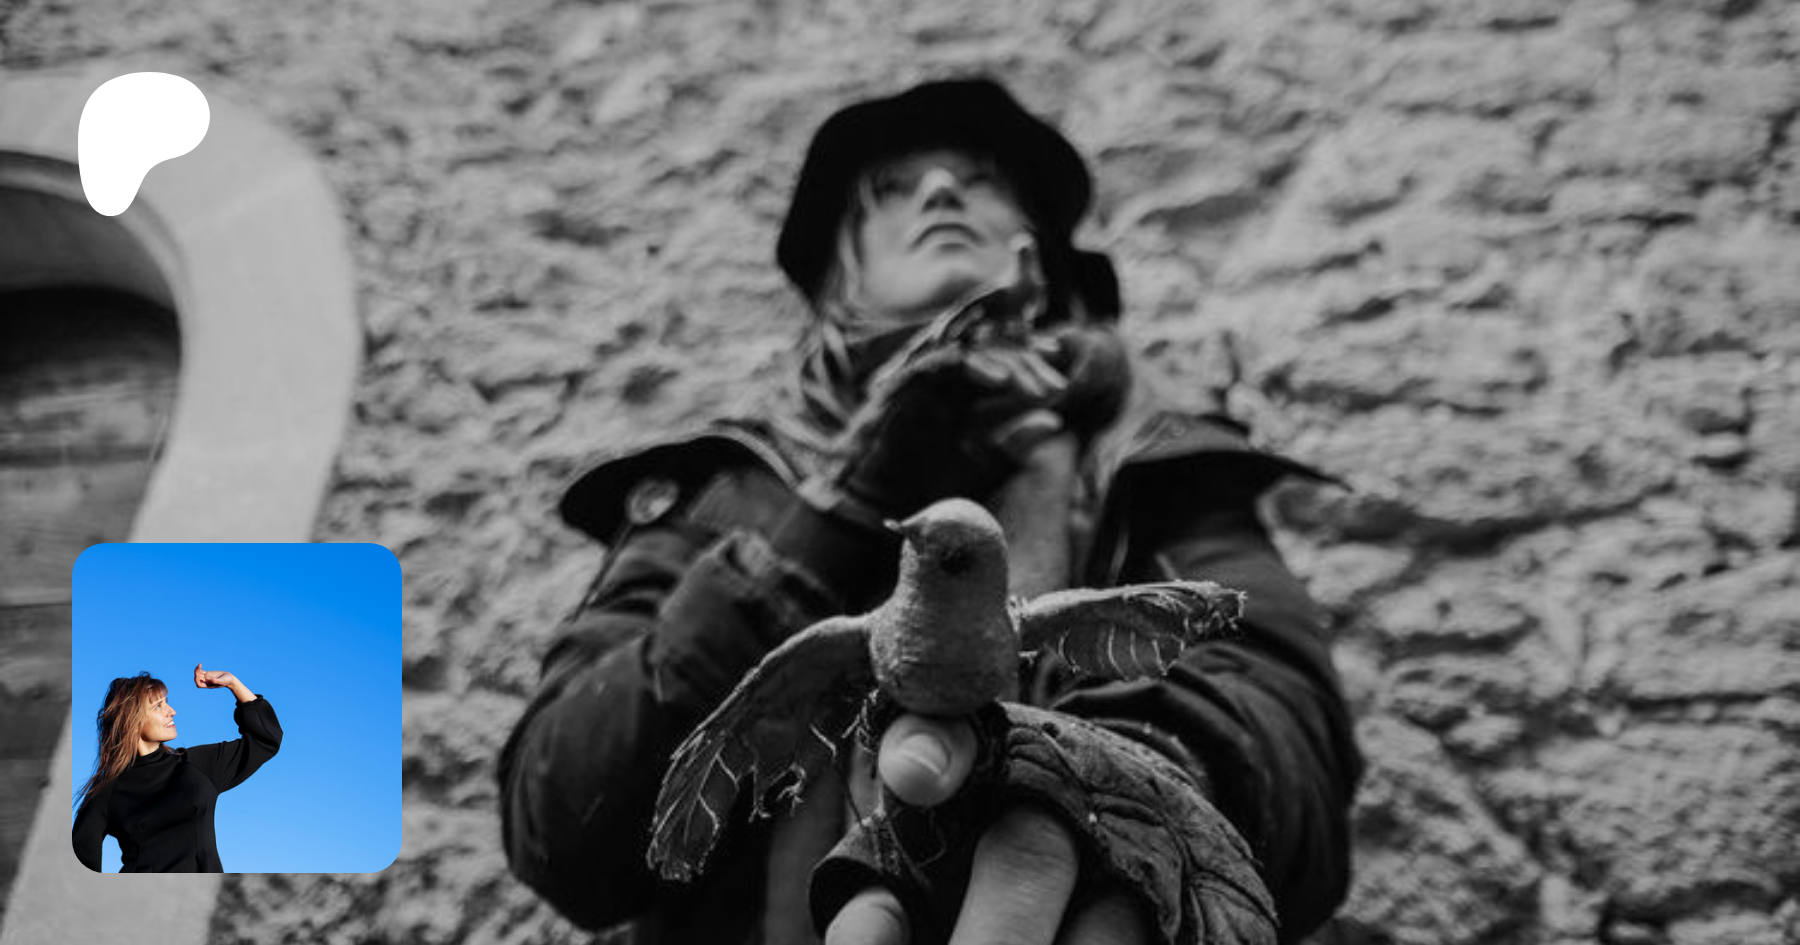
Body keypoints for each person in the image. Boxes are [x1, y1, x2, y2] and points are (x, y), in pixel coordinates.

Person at [499, 77, 1362, 945]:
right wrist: (837, 516)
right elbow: (561, 826)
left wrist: (1124, 802)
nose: (943, 191)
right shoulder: (728, 494)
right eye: (893, 189)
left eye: (980, 180)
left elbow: (1283, 723)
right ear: (845, 268)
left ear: (1038, 247)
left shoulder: (1142, 459)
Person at [72, 665, 282, 873]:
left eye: (167, 702)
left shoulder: (197, 765)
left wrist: (234, 684)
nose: (172, 711)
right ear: (132, 720)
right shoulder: (106, 792)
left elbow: (266, 739)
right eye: (158, 706)